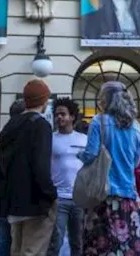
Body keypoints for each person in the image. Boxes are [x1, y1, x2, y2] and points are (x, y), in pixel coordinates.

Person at [80, 81, 140, 255]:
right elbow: (136, 161)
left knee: (100, 247)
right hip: (127, 196)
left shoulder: (98, 122)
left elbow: (91, 155)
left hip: (102, 195)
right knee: (126, 248)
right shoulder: (136, 126)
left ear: (106, 99)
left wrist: (79, 154)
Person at [0, 79, 58, 256]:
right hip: (35, 200)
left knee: (16, 250)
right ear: (44, 100)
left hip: (12, 199)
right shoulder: (41, 125)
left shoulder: (10, 125)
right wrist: (50, 193)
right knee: (33, 250)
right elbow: (40, 165)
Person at [48, 97, 88, 256]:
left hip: (79, 198)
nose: (59, 117)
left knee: (78, 242)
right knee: (55, 242)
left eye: (63, 114)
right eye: (57, 114)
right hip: (59, 198)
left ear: (72, 116)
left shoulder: (84, 139)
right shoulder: (50, 139)